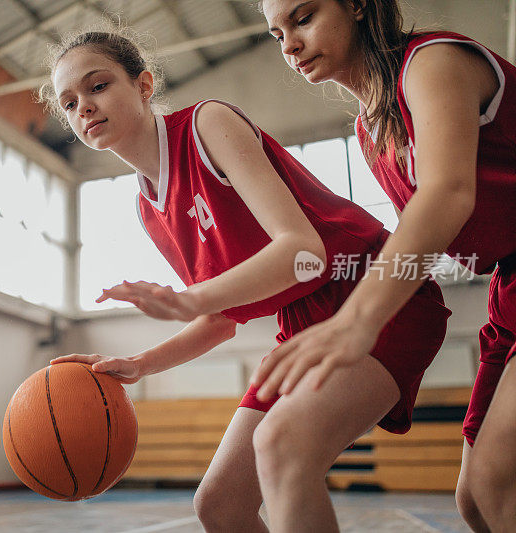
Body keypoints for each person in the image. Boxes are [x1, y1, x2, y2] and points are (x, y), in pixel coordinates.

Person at [43, 30, 449, 532]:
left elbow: (303, 252)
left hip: (377, 291)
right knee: (219, 504)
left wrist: (189, 298)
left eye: (98, 86)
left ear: (144, 85)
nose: (84, 106)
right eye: (69, 103)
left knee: (283, 446)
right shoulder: (148, 206)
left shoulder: (206, 124)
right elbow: (219, 319)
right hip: (301, 322)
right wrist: (140, 363)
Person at [255, 1, 516, 530]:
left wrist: (358, 321)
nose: (289, 45)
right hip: (506, 285)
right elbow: (422, 240)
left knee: (495, 481)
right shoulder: (372, 130)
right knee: (475, 502)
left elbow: (447, 195)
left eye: (303, 18)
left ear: (356, 4)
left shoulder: (433, 62)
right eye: (276, 32)